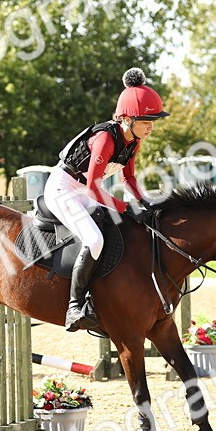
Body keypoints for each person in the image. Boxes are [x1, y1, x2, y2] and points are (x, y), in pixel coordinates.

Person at [44, 67, 167, 332]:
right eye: (147, 121)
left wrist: (145, 203)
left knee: (121, 229)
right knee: (94, 239)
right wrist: (127, 207)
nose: (151, 127)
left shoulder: (133, 140)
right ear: (126, 118)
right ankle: (75, 307)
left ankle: (105, 298)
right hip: (63, 189)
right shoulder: (105, 139)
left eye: (153, 121)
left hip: (85, 190)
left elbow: (129, 179)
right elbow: (93, 189)